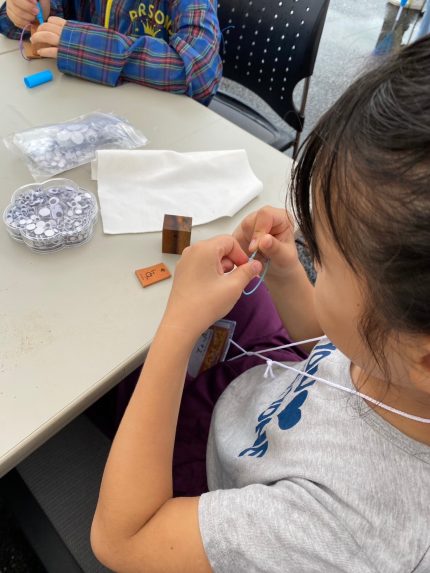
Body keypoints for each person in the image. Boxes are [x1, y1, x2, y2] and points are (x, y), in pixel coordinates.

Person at [90, 36, 430, 572]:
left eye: (328, 258)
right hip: (261, 402)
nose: (312, 255)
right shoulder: (402, 363)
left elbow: (123, 541)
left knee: (122, 370)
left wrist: (177, 327)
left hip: (210, 481)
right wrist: (288, 269)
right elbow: (333, 350)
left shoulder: (333, 529)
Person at [0, 0, 222, 104]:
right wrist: (28, 13)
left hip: (158, 135)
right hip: (84, 109)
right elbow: (54, 18)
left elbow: (201, 72)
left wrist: (84, 45)